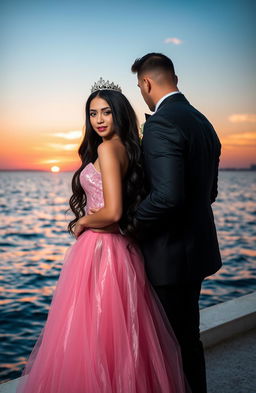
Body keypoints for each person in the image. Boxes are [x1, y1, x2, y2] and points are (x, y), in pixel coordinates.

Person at [16, 78, 190, 393]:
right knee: (119, 337)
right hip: (121, 249)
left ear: (118, 114)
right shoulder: (125, 147)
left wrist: (82, 222)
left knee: (95, 334)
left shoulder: (108, 148)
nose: (98, 120)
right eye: (93, 113)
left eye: (106, 112)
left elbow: (112, 212)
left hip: (102, 249)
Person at [131, 53, 222, 393]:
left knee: (168, 344)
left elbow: (168, 197)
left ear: (147, 83)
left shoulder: (161, 123)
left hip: (168, 257)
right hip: (196, 252)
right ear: (176, 78)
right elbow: (209, 193)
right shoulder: (202, 121)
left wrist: (128, 224)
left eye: (139, 86)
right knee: (187, 339)